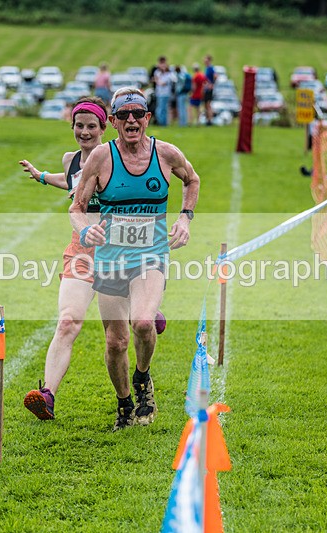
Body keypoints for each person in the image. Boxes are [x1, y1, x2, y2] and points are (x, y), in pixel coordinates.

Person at [70, 88, 200, 430]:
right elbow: (77, 207)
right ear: (112, 121)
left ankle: (142, 379)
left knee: (143, 322)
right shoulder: (100, 158)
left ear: (147, 118)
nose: (131, 120)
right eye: (123, 115)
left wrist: (185, 217)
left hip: (151, 255)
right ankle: (124, 403)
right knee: (116, 341)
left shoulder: (167, 154)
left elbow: (192, 179)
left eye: (137, 113)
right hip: (111, 258)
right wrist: (85, 231)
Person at [18, 97, 109, 420]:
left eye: (91, 127)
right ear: (72, 126)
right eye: (79, 126)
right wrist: (42, 176)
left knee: (126, 330)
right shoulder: (71, 159)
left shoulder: (113, 158)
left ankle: (150, 311)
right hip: (81, 247)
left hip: (117, 249)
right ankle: (48, 396)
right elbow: (70, 181)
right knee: (69, 320)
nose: (85, 132)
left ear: (104, 127)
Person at [203, 55, 215, 125]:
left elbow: (215, 76)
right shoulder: (207, 68)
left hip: (209, 89)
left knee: (208, 105)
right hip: (206, 89)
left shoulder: (210, 68)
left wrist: (212, 84)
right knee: (206, 105)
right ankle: (207, 119)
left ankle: (210, 120)